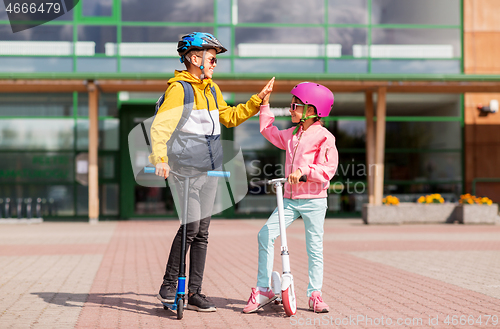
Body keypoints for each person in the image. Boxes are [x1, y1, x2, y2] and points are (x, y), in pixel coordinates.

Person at [149, 32, 274, 312]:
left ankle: (194, 292)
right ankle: (169, 285)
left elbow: (228, 117)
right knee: (190, 227)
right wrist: (160, 158)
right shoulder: (180, 89)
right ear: (195, 58)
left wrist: (256, 100)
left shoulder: (212, 89)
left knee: (202, 232)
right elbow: (161, 126)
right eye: (212, 58)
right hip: (185, 169)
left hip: (210, 169)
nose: (215, 64)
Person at [243, 82, 338, 314]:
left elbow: (328, 169)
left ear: (312, 110)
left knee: (314, 247)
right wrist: (264, 105)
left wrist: (304, 172)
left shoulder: (324, 137)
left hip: (314, 200)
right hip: (289, 199)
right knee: (265, 234)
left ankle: (315, 294)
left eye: (295, 105)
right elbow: (269, 131)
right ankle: (264, 289)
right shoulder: (292, 135)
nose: (291, 109)